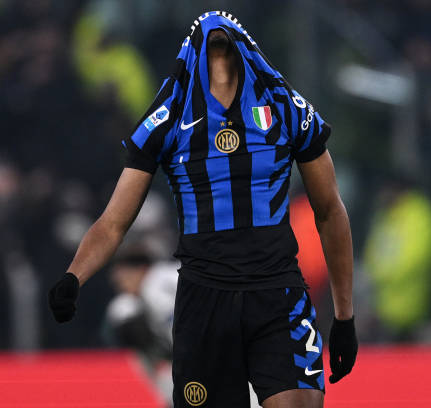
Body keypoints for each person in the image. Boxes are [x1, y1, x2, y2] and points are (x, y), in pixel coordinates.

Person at [49, 11, 357, 408]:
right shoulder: (168, 119)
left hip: (277, 294)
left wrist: (345, 317)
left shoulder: (285, 109)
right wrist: (73, 276)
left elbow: (329, 210)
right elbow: (114, 222)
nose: (219, 57)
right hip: (205, 303)